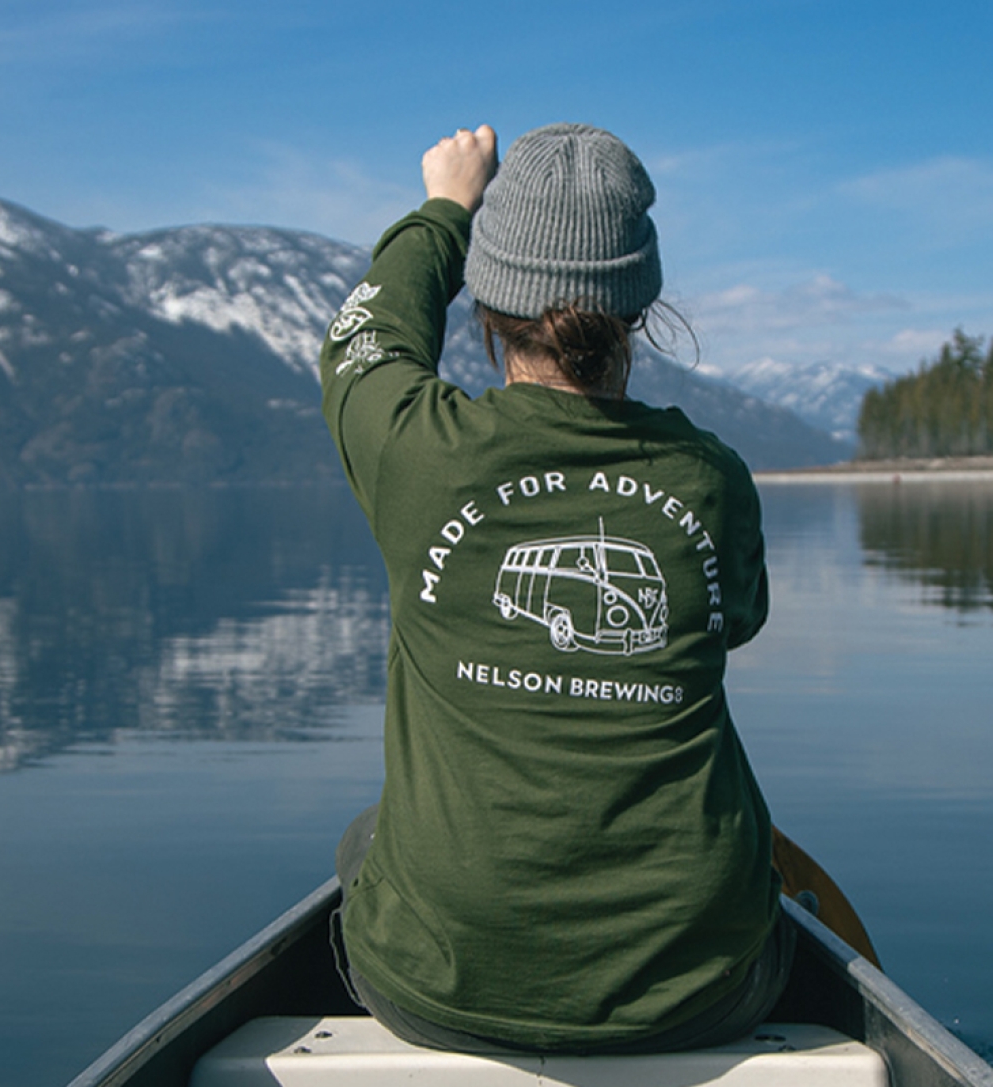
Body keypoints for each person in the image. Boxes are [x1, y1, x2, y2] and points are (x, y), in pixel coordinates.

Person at [317, 122, 789, 1054]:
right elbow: (738, 623)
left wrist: (448, 205)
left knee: (365, 843)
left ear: (489, 304)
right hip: (696, 987)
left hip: (437, 988)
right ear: (640, 304)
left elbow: (361, 338)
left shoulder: (419, 454)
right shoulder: (709, 477)